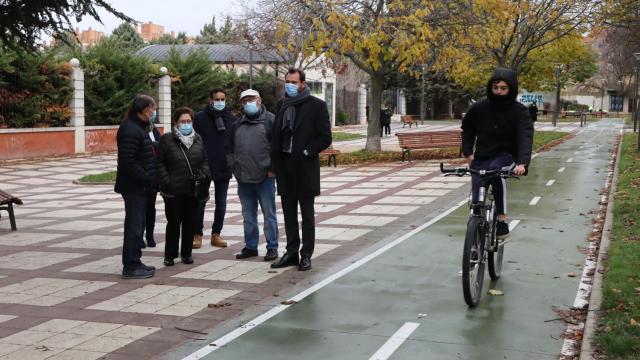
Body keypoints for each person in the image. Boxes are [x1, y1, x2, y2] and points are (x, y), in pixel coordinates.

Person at [270, 68, 332, 271]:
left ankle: (306, 254)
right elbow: (276, 137)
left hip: (305, 168)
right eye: (287, 81)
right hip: (285, 168)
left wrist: (307, 151)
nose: (290, 85)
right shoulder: (282, 105)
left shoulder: (317, 106)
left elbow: (325, 137)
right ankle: (291, 253)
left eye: (294, 82)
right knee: (288, 215)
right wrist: (275, 164)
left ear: (303, 84)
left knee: (307, 215)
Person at [461, 67, 533, 240]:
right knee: (476, 197)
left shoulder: (520, 112)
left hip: (506, 156)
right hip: (482, 156)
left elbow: (525, 137)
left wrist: (522, 163)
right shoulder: (478, 108)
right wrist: (468, 153)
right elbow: (467, 129)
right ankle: (474, 241)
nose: (499, 92)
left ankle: (501, 219)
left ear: (511, 89)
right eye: (495, 88)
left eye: (503, 88)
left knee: (496, 172)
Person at [226, 89, 279, 261]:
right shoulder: (237, 124)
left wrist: (273, 169)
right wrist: (234, 168)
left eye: (251, 99)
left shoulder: (271, 121)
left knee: (269, 215)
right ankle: (251, 246)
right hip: (244, 179)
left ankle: (272, 247)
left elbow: (278, 147)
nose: (248, 103)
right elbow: (230, 149)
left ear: (259, 100)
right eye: (245, 100)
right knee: (248, 216)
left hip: (265, 178)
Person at [156, 107, 211, 266]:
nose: (186, 124)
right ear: (176, 122)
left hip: (193, 189)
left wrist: (206, 176)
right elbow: (159, 163)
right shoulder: (167, 139)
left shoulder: (198, 139)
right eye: (183, 121)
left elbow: (205, 160)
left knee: (190, 223)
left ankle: (186, 254)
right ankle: (170, 255)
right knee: (173, 223)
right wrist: (167, 182)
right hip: (173, 191)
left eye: (189, 121)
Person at [114, 94, 158, 279]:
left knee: (138, 226)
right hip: (134, 186)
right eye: (152, 109)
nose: (154, 113)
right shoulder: (130, 129)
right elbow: (128, 162)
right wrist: (147, 178)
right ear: (143, 109)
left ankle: (136, 261)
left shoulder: (138, 127)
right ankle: (131, 265)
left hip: (140, 186)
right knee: (134, 226)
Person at [193, 88, 237, 249]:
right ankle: (197, 234)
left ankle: (216, 234)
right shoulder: (199, 118)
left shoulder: (231, 118)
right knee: (200, 201)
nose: (220, 102)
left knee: (222, 203)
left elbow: (234, 142)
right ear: (210, 100)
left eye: (222, 99)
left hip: (223, 166)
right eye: (217, 99)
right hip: (203, 166)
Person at [142, 119, 161, 249]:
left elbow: (161, 144)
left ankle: (150, 235)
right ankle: (138, 236)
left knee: (150, 208)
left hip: (153, 175)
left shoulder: (153, 128)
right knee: (139, 209)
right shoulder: (136, 129)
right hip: (140, 175)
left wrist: (155, 144)